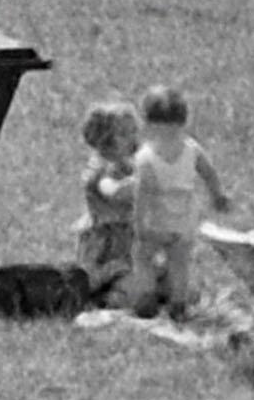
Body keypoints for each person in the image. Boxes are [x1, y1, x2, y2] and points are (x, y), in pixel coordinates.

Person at [127, 86, 226, 310]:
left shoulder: (146, 157)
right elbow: (208, 172)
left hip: (155, 221)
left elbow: (143, 194)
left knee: (143, 258)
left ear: (148, 123)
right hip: (184, 221)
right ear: (184, 120)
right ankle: (178, 303)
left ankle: (146, 297)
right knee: (179, 263)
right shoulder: (192, 149)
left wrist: (139, 223)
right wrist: (218, 194)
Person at [72, 97, 145, 302]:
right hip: (106, 251)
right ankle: (104, 296)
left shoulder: (127, 165)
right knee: (136, 291)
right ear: (104, 140)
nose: (132, 139)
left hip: (128, 243)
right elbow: (111, 190)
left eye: (133, 132)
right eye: (123, 134)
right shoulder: (102, 168)